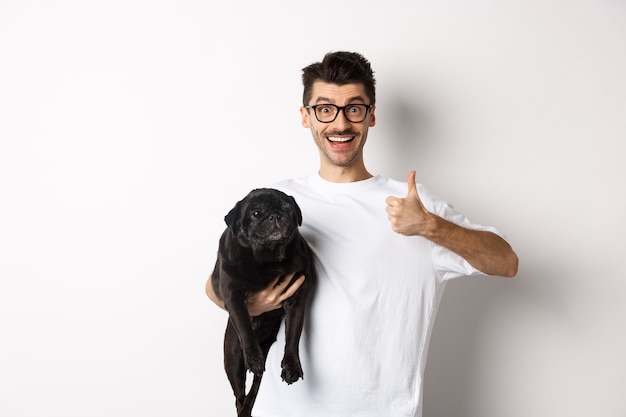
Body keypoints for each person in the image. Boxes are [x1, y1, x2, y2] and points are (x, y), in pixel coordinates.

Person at [206, 51, 518, 417]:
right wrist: (252, 305)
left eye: (353, 109)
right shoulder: (275, 203)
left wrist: (431, 226)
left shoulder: (412, 204)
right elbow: (216, 284)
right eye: (325, 109)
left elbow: (506, 261)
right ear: (306, 117)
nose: (340, 124)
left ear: (371, 115)